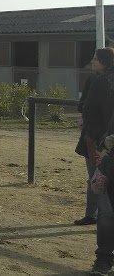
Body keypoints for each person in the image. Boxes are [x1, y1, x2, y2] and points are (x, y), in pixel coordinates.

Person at [76, 47, 114, 274]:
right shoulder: (101, 83)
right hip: (108, 153)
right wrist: (102, 142)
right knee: (107, 211)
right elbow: (88, 113)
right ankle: (103, 260)